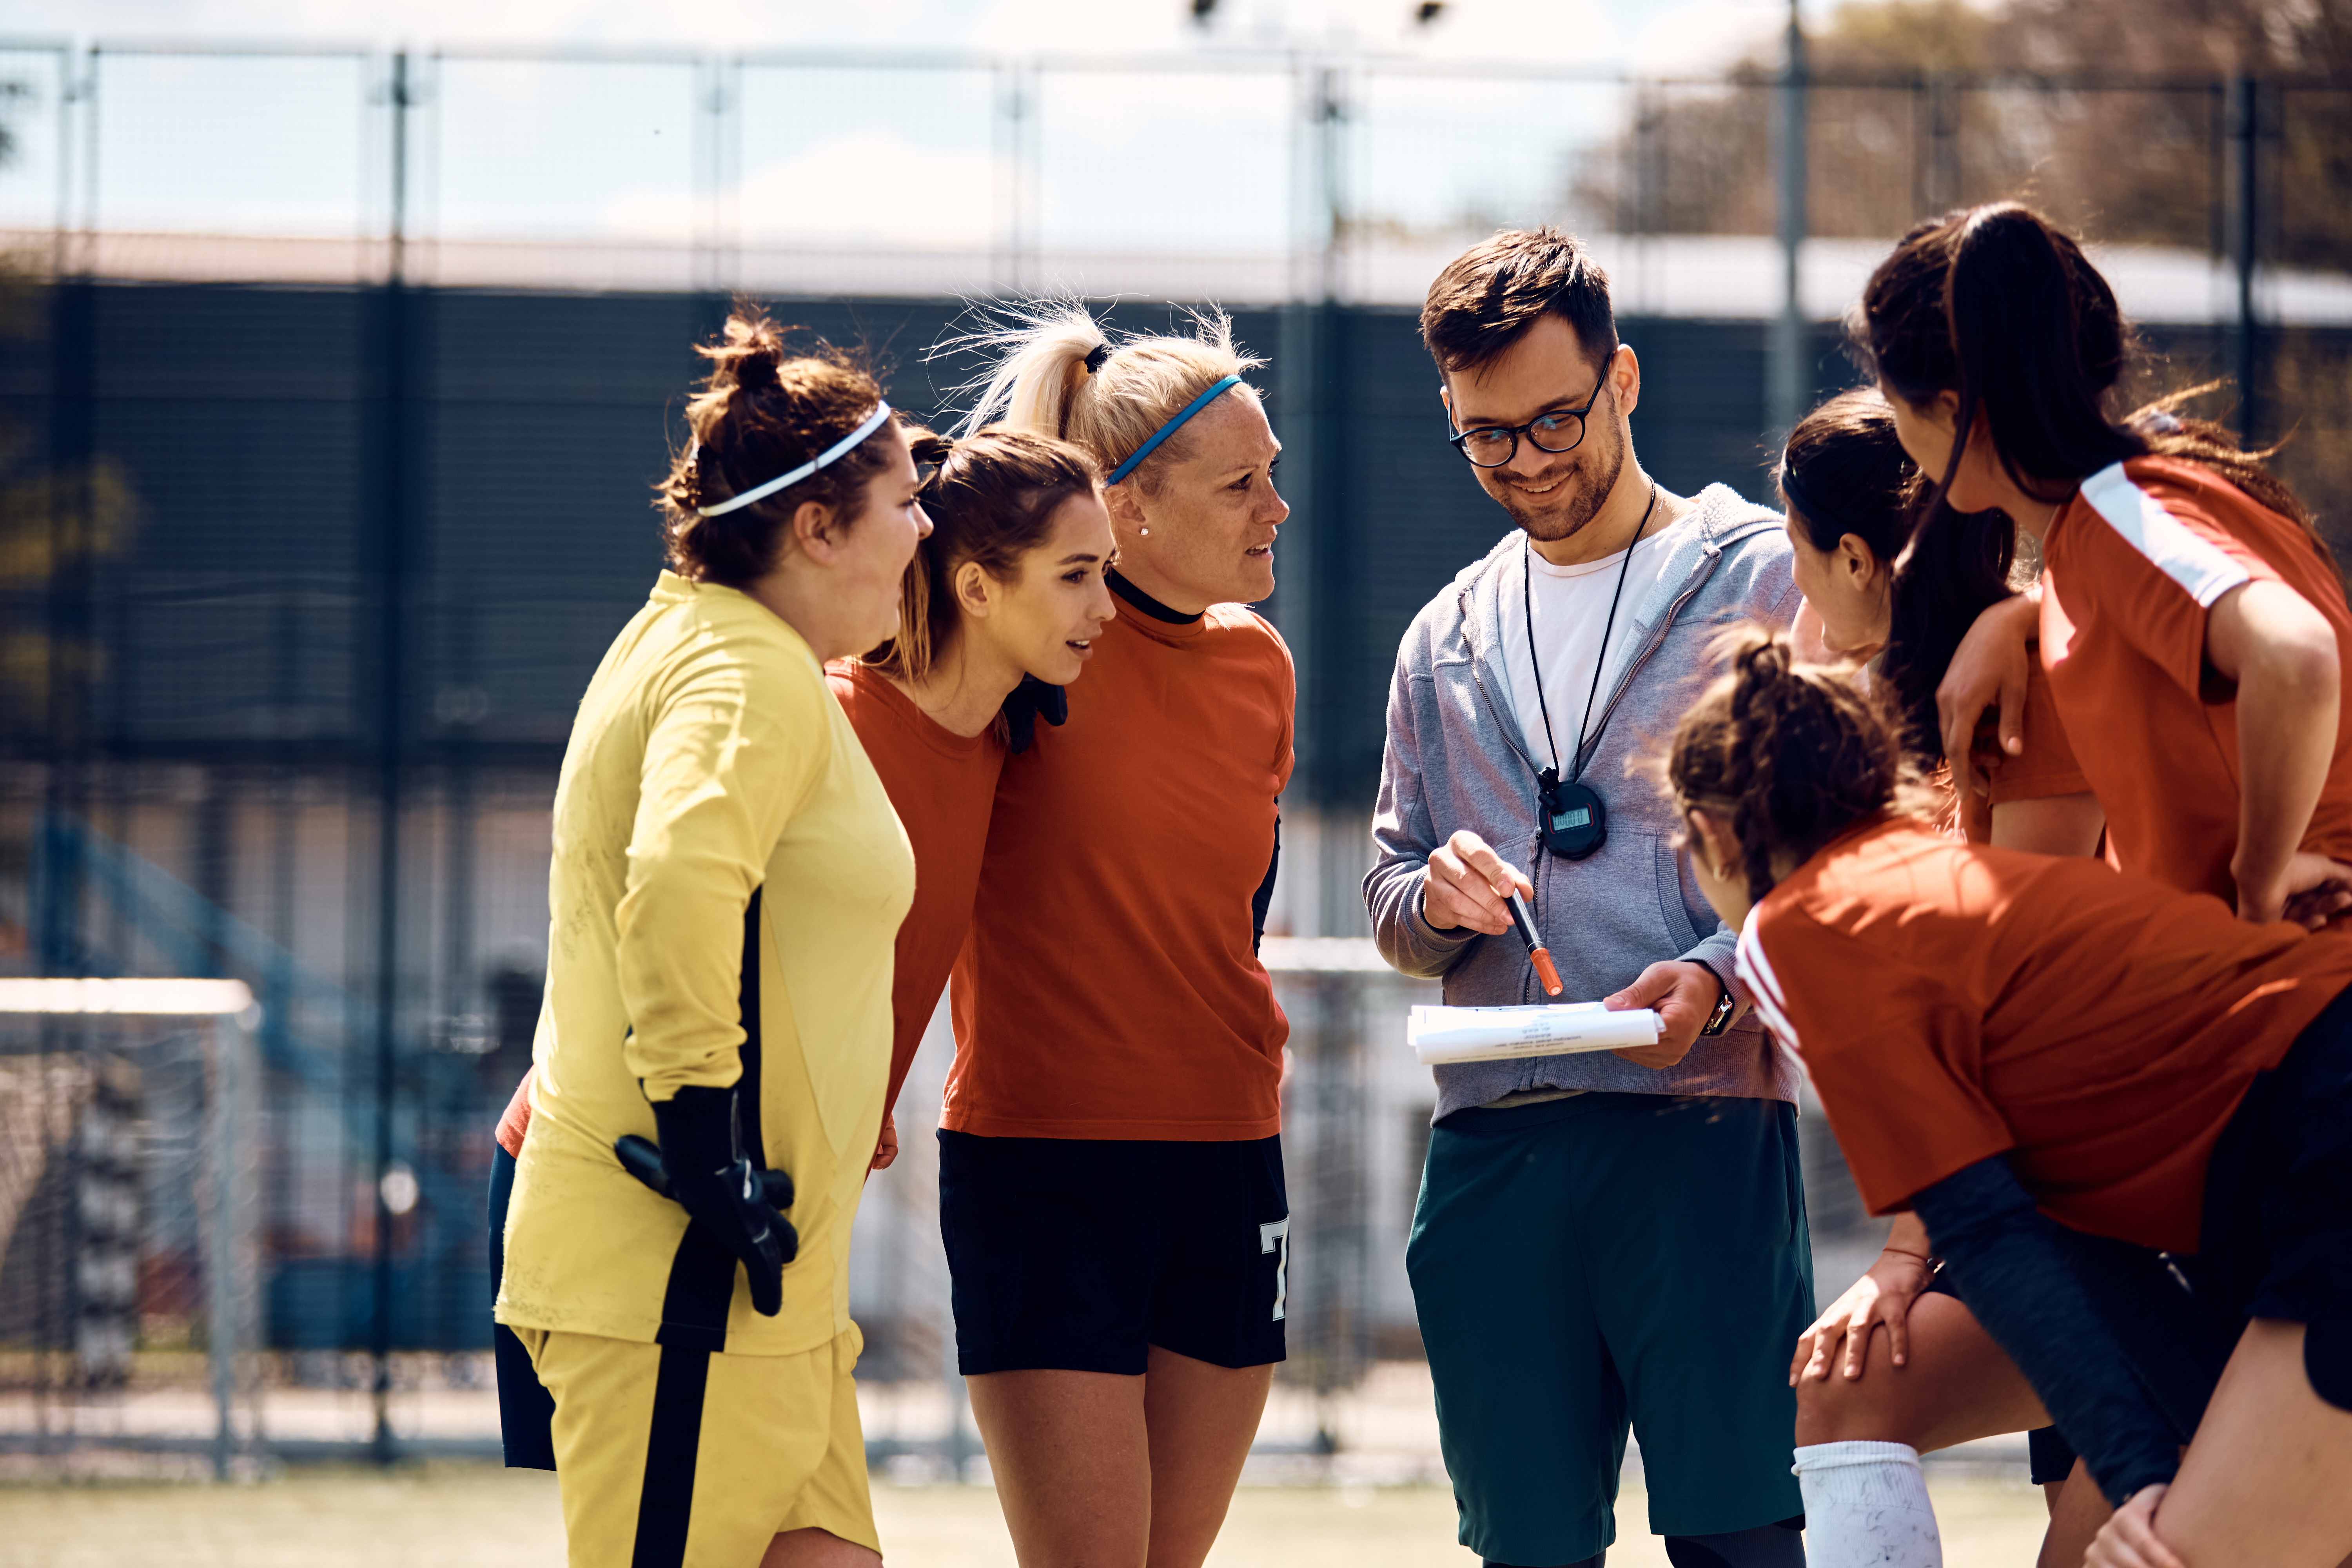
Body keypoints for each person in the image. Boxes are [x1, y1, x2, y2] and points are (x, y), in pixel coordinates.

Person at [1665, 625, 2352, 1568]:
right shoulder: (1927, 891)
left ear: (1708, 833)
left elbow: (1989, 1234)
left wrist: (2150, 1473)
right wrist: (2168, 1460)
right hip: (2300, 1136)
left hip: (2320, 1121)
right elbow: (2073, 1231)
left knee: (2186, 1550)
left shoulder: (1794, 927)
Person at [487, 425, 1117, 1452]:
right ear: (976, 589)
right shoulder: (827, 718)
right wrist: (708, 1150)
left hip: (779, 1207)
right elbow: (676, 904)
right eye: (1079, 576)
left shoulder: (1010, 735)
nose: (1106, 609)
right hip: (651, 1192)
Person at [1363, 227, 1810, 1568]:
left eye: (1557, 416)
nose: (1530, 459)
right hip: (1495, 1150)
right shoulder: (1444, 633)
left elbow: (1835, 856)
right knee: (1525, 1551)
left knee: (1741, 1536)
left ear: (1624, 380)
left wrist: (1722, 972)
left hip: (1704, 1130)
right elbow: (1390, 891)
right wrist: (1435, 900)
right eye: (1487, 437)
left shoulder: (1764, 579)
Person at [492, 303, 924, 1568]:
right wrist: (702, 1138)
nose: (924, 530)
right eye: (903, 503)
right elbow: (678, 877)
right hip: (690, 1273)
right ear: (816, 528)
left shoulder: (725, 647)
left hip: (770, 1298)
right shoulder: (743, 670)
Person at [940, 305, 1293, 1568]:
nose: (1276, 507)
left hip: (1228, 1161)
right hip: (1046, 1168)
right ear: (1127, 507)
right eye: (1242, 483)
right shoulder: (1016, 654)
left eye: (1277, 475)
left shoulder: (1263, 665)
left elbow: (1228, 927)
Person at [1774, 388, 2114, 1566]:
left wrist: (1907, 1257)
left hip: (2171, 1209)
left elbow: (2009, 1018)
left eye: (1799, 557)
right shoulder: (1914, 713)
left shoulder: (2035, 690)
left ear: (1858, 559)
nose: (1794, 598)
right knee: (1843, 1393)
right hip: (2047, 1214)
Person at [1857, 201, 2352, 927]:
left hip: (2301, 992)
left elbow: (2298, 659)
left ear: (1959, 411)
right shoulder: (2153, 480)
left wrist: (2260, 876)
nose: (1896, 427)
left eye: (1895, 398)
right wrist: (2017, 614)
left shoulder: (2117, 520)